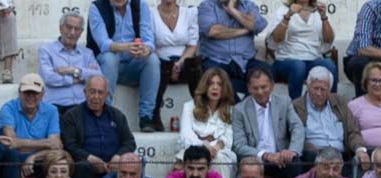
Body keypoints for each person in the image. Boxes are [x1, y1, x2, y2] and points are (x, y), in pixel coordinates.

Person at [60, 74, 135, 178]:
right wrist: (89, 158)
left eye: (100, 92)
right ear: (85, 93)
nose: (96, 96)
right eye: (92, 91)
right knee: (82, 166)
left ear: (106, 95)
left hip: (113, 167)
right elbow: (69, 145)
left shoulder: (117, 115)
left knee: (131, 164)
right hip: (86, 167)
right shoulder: (71, 115)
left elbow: (129, 142)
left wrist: (118, 156)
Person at [0, 73, 62, 178]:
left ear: (42, 94)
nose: (30, 96)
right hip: (7, 160)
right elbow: (11, 143)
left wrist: (33, 157)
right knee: (11, 155)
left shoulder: (51, 110)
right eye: (26, 92)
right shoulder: (8, 108)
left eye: (34, 93)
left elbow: (56, 146)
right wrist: (46, 143)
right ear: (19, 92)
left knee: (60, 158)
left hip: (35, 159)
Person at [88, 0, 161, 131]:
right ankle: (104, 111)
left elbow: (149, 39)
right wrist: (126, 47)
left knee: (152, 59)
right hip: (107, 65)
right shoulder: (96, 7)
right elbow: (103, 44)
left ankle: (146, 117)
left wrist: (146, 49)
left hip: (133, 64)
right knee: (110, 58)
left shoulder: (141, 5)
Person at [232, 64, 304, 178]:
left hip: (281, 157)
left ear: (272, 86)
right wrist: (266, 155)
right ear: (249, 88)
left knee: (296, 163)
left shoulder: (284, 102)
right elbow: (239, 145)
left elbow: (297, 127)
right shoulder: (239, 110)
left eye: (263, 87)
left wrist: (292, 151)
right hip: (256, 159)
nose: (260, 92)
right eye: (255, 88)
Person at [292, 65, 367, 170]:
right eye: (315, 88)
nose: (319, 93)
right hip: (313, 158)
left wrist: (360, 149)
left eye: (323, 89)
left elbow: (352, 131)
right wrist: (312, 151)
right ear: (308, 86)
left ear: (330, 90)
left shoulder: (340, 102)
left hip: (340, 157)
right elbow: (295, 137)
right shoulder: (297, 106)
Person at [196, 0, 267, 98]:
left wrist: (233, 10)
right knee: (215, 78)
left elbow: (257, 26)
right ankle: (236, 110)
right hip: (216, 59)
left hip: (245, 60)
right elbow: (213, 31)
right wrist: (245, 30)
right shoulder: (207, 6)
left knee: (265, 74)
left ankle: (249, 110)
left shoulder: (248, 5)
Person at [267, 0, 335, 100]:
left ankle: (333, 107)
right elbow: (276, 39)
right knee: (298, 66)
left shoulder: (317, 12)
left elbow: (328, 40)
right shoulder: (283, 10)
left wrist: (324, 17)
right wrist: (288, 15)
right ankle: (295, 108)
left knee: (329, 65)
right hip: (286, 61)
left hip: (312, 60)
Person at [38, 13, 102, 116]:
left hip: (82, 107)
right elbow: (49, 77)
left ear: (81, 32)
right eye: (68, 27)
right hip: (56, 106)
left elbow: (98, 76)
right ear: (60, 28)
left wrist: (72, 70)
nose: (72, 32)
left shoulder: (87, 53)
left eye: (77, 29)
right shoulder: (46, 50)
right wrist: (75, 79)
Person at [179, 67, 237, 178]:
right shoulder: (189, 106)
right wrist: (204, 145)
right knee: (191, 159)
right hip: (194, 149)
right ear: (205, 86)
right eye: (211, 83)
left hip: (220, 152)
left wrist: (215, 147)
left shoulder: (231, 110)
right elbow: (185, 135)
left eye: (219, 84)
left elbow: (228, 137)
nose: (215, 87)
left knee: (219, 159)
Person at [153, 0, 200, 131]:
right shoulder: (151, 14)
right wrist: (169, 65)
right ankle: (154, 115)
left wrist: (179, 63)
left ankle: (201, 112)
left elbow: (192, 45)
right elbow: (150, 45)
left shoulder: (189, 13)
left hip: (184, 59)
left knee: (195, 64)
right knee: (157, 65)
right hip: (161, 59)